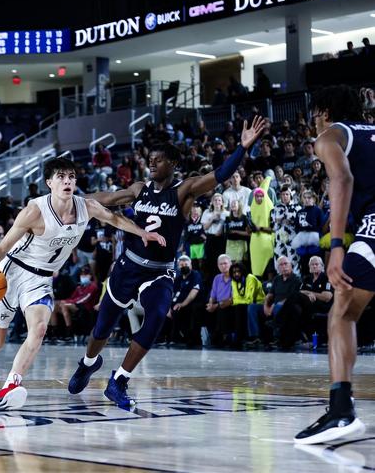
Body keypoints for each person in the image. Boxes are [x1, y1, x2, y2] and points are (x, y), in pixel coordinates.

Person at [67, 116, 266, 408]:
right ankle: (88, 363)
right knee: (102, 327)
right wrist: (69, 198)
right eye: (150, 159)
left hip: (159, 272)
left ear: (172, 163)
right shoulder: (138, 188)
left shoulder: (184, 191)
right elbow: (106, 198)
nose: (151, 164)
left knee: (157, 316)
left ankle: (119, 380)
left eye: (158, 160)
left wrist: (242, 148)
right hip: (128, 265)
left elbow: (221, 174)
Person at [0, 157, 165, 411]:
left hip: (41, 279)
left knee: (39, 329)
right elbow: (2, 246)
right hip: (12, 273)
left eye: (71, 177)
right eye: (61, 177)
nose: (67, 181)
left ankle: (11, 384)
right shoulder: (34, 211)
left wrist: (143, 233)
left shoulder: (86, 207)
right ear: (49, 182)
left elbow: (114, 219)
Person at [295, 85, 373, 444]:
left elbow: (342, 179)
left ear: (324, 111)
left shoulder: (331, 135)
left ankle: (341, 411)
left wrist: (337, 245)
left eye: (314, 115)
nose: (313, 124)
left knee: (341, 309)